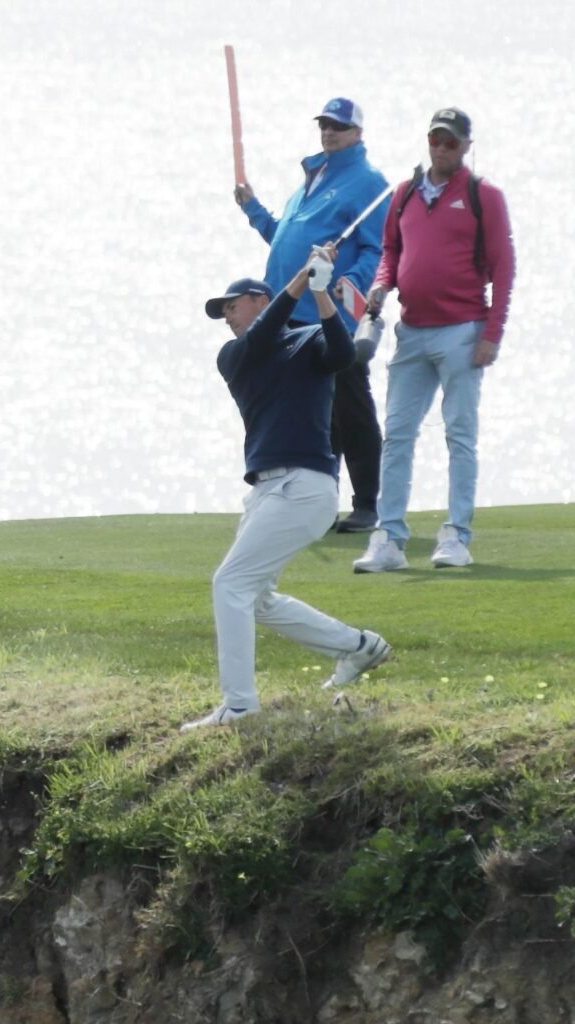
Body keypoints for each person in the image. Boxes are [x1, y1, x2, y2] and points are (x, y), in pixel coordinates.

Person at [181, 247, 393, 733]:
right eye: (224, 311)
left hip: (305, 487)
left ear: (259, 300)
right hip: (264, 493)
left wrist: (320, 292)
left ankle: (239, 706)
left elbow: (343, 355)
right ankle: (357, 647)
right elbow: (262, 339)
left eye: (232, 305)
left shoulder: (310, 339)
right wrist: (302, 280)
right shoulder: (234, 355)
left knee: (229, 584)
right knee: (256, 598)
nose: (227, 316)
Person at [353, 107, 515, 572]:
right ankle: (389, 539)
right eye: (435, 140)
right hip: (412, 331)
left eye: (450, 142)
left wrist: (492, 334)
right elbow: (391, 251)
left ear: (466, 146)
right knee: (397, 435)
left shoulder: (484, 196)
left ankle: (457, 534)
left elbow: (503, 269)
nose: (441, 148)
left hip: (463, 331)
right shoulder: (404, 194)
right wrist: (383, 283)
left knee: (460, 434)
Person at [235, 97, 390, 535]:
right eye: (324, 125)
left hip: (329, 317)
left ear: (357, 133)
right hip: (289, 314)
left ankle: (367, 506)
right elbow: (287, 242)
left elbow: (378, 249)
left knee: (351, 408)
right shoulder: (313, 177)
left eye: (338, 127)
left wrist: (352, 281)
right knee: (313, 418)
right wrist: (254, 212)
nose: (329, 132)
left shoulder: (368, 182)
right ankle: (318, 505)